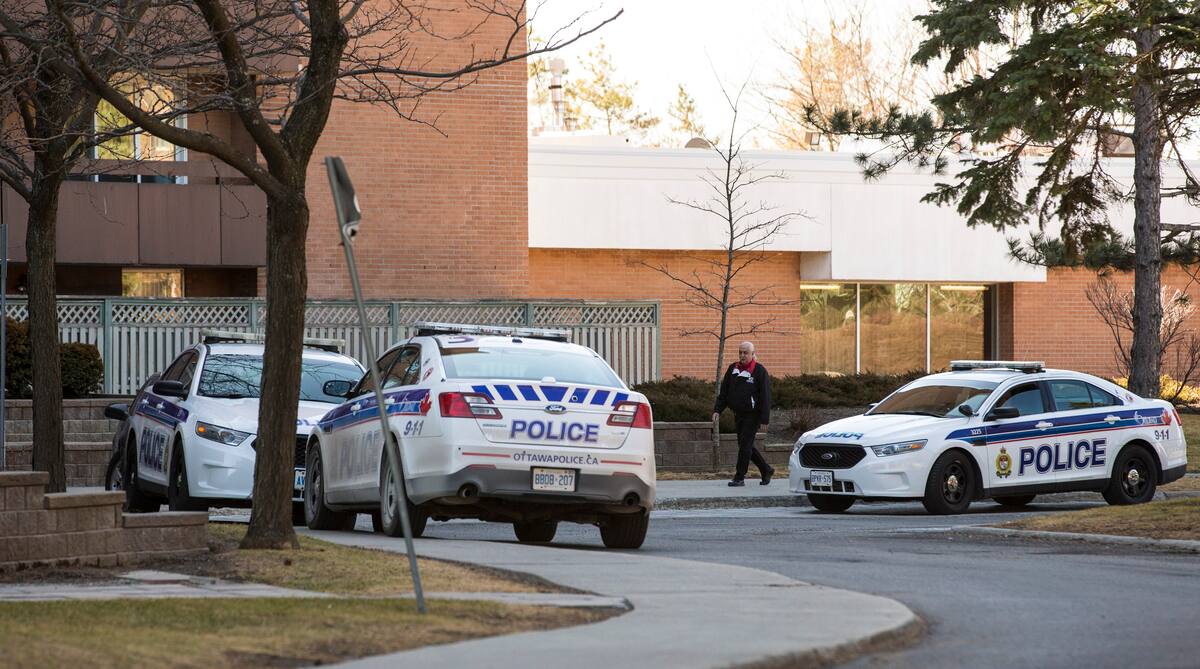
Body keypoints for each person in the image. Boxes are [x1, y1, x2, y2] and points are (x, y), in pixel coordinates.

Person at [713, 341, 774, 487]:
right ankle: (766, 469)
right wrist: (717, 410)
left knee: (745, 446)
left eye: (745, 353)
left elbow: (766, 397)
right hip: (738, 414)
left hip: (753, 415)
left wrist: (765, 419)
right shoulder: (733, 369)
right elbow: (724, 392)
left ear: (753, 354)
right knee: (745, 445)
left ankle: (739, 477)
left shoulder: (759, 371)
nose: (742, 355)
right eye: (740, 352)